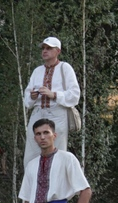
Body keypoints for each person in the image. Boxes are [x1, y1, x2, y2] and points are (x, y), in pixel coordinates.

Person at [23, 37, 80, 166]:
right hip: (37, 113)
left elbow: (75, 95)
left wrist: (53, 94)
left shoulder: (65, 68)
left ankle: (55, 185)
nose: (45, 51)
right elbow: (27, 100)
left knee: (57, 155)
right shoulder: (37, 71)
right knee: (31, 156)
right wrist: (32, 97)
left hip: (57, 114)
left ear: (58, 51)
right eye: (43, 48)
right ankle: (33, 185)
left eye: (49, 48)